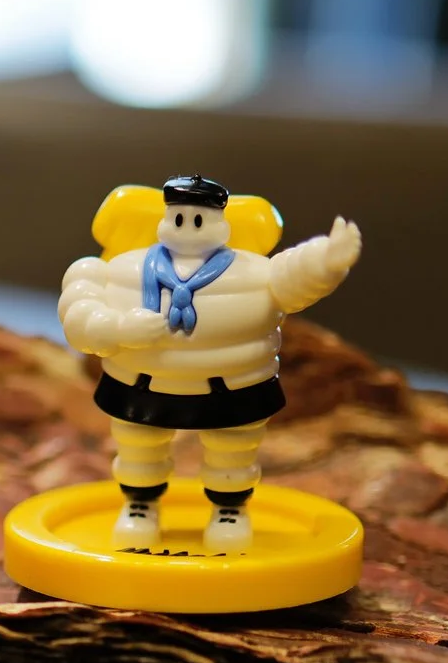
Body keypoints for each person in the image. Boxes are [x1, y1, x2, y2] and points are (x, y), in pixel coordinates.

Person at [58, 175, 362, 553]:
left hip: (232, 386)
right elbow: (78, 315)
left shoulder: (255, 273)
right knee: (138, 447)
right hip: (141, 384)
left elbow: (294, 276)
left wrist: (324, 259)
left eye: (199, 218)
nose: (188, 226)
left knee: (232, 452)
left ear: (223, 222)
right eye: (179, 217)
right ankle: (139, 506)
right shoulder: (116, 270)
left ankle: (229, 512)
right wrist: (118, 327)